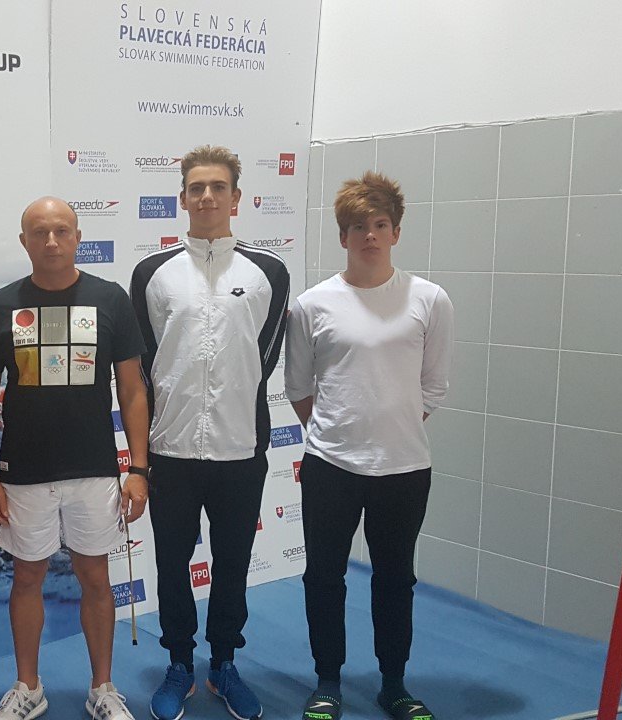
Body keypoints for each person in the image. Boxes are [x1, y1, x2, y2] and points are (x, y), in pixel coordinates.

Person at [0, 196, 150, 720]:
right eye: (39, 232)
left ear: (77, 238)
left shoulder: (110, 299)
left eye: (61, 231)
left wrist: (138, 469)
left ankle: (103, 689)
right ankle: (28, 687)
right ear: (23, 241)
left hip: (94, 468)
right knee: (27, 578)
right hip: (24, 471)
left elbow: (132, 389)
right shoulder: (1, 304)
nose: (51, 241)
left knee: (95, 577)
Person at [129, 145, 290, 720]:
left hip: (239, 449)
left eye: (218, 187)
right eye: (196, 188)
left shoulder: (268, 273)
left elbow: (264, 357)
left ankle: (223, 663)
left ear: (236, 198)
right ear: (182, 198)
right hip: (171, 450)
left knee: (233, 564)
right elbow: (144, 365)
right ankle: (179, 662)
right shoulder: (152, 274)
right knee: (172, 566)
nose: (206, 197)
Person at [285, 172, 453, 720]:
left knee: (395, 579)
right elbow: (299, 388)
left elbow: (433, 386)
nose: (371, 236)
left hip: (405, 468)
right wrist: (341, 430)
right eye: (359, 227)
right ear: (344, 236)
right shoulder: (312, 304)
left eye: (380, 225)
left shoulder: (429, 299)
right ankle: (327, 681)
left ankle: (394, 685)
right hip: (331, 466)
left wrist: (389, 428)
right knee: (323, 577)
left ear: (396, 233)